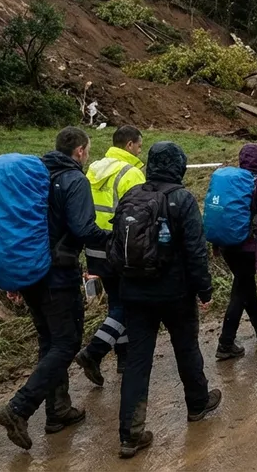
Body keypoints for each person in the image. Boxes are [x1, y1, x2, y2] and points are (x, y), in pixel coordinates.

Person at [0, 127, 108, 451]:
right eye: (87, 150)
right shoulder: (75, 181)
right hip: (58, 273)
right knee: (66, 343)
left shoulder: (37, 177)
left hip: (30, 270)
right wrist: (113, 238)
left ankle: (57, 411)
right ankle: (19, 408)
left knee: (50, 342)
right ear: (81, 151)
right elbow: (83, 228)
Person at [115, 142, 220, 459]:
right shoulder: (182, 199)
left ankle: (129, 435)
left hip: (134, 292)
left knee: (137, 361)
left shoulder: (132, 195)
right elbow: (195, 250)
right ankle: (197, 404)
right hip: (175, 293)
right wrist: (204, 290)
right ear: (179, 165)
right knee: (186, 347)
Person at [75, 125, 145, 387]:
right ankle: (94, 352)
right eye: (139, 146)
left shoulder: (95, 168)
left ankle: (123, 358)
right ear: (129, 145)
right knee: (128, 306)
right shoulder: (131, 173)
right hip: (119, 248)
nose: (140, 150)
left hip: (95, 248)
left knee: (116, 301)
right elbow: (140, 216)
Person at [214, 144, 257, 361]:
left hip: (226, 244)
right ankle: (225, 342)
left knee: (244, 282)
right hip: (248, 246)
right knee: (240, 290)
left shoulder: (230, 180)